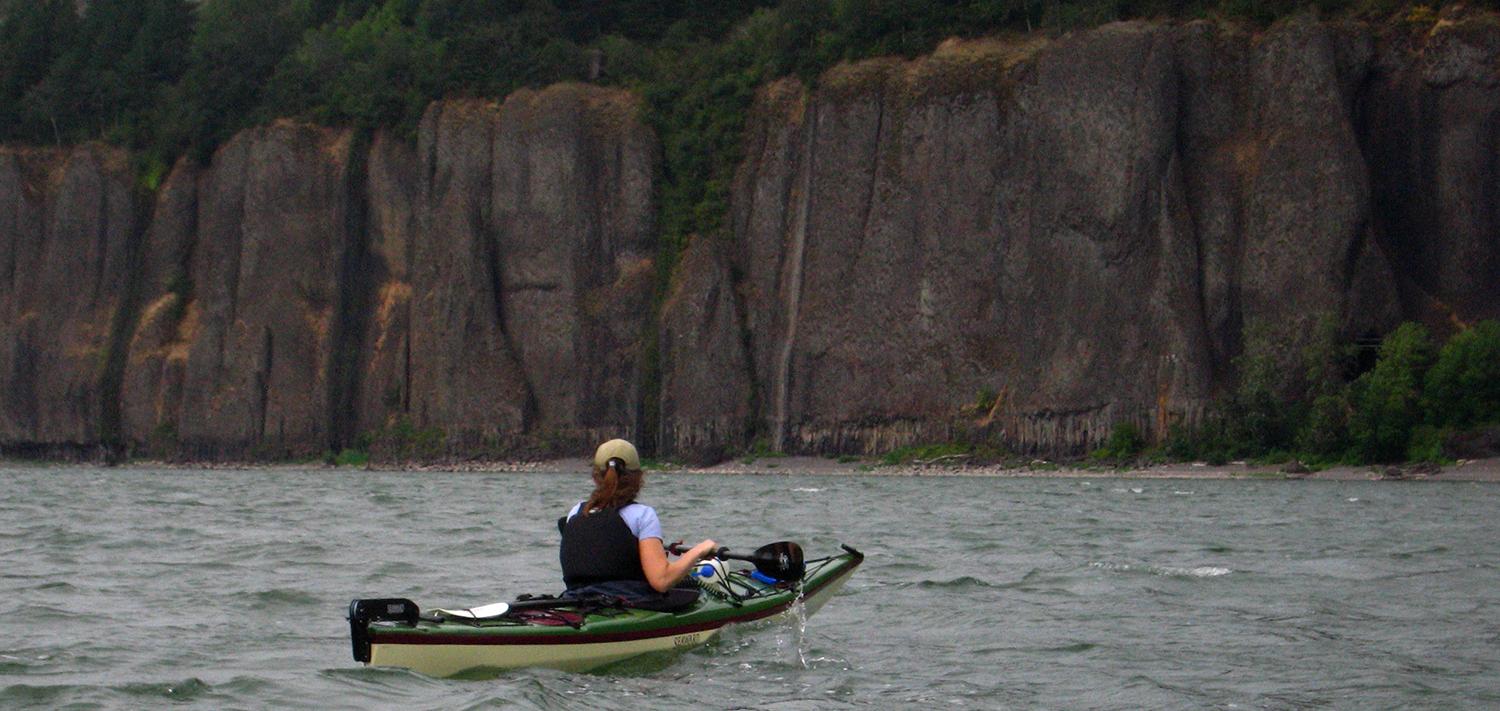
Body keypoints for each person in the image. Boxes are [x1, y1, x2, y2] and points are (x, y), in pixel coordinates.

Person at [558, 438, 717, 601]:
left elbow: (602, 554)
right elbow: (661, 581)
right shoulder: (643, 515)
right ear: (638, 478)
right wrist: (698, 551)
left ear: (596, 477)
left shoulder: (576, 512)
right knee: (690, 592)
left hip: (575, 600)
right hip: (629, 602)